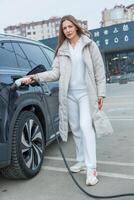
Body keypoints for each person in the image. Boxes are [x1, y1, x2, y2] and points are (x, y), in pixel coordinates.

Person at [22, 15, 106, 186]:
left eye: (70, 26)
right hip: (69, 95)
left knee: (85, 127)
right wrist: (35, 77)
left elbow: (99, 69)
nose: (67, 30)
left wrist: (101, 94)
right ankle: (81, 160)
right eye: (64, 28)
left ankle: (92, 169)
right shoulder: (62, 50)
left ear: (76, 26)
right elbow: (55, 73)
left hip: (86, 94)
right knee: (75, 128)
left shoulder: (89, 45)